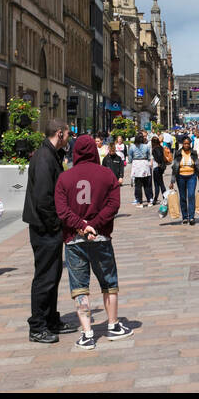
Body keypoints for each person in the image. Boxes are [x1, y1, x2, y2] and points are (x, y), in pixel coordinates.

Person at [55, 134, 131, 350]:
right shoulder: (107, 175)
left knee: (80, 288)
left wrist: (80, 224)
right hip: (100, 237)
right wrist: (94, 225)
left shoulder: (65, 178)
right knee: (108, 282)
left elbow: (61, 210)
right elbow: (113, 205)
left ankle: (87, 333)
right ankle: (113, 325)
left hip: (73, 239)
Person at [22, 119, 75, 343]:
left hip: (48, 227)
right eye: (68, 134)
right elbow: (44, 198)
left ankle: (51, 319)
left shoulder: (50, 154)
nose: (70, 138)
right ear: (60, 133)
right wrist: (55, 224)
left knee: (53, 276)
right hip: (45, 228)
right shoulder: (44, 158)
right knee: (45, 277)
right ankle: (38, 326)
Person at [173, 136, 199, 225]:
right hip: (180, 177)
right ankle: (185, 217)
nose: (186, 145)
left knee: (191, 195)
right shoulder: (178, 153)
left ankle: (191, 217)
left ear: (190, 144)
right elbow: (174, 167)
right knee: (182, 197)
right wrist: (172, 181)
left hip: (192, 176)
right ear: (182, 144)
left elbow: (197, 165)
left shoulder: (194, 153)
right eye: (184, 143)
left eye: (188, 144)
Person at [129, 133, 153, 208]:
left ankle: (139, 202)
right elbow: (149, 156)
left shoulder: (132, 147)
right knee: (146, 184)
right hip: (144, 163)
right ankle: (149, 201)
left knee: (138, 185)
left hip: (136, 164)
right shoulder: (146, 146)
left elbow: (130, 158)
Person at [150, 136, 167, 206]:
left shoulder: (154, 149)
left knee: (159, 184)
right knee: (158, 183)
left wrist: (158, 162)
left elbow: (158, 157)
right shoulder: (161, 147)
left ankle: (165, 198)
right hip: (161, 167)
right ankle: (155, 199)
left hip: (157, 167)